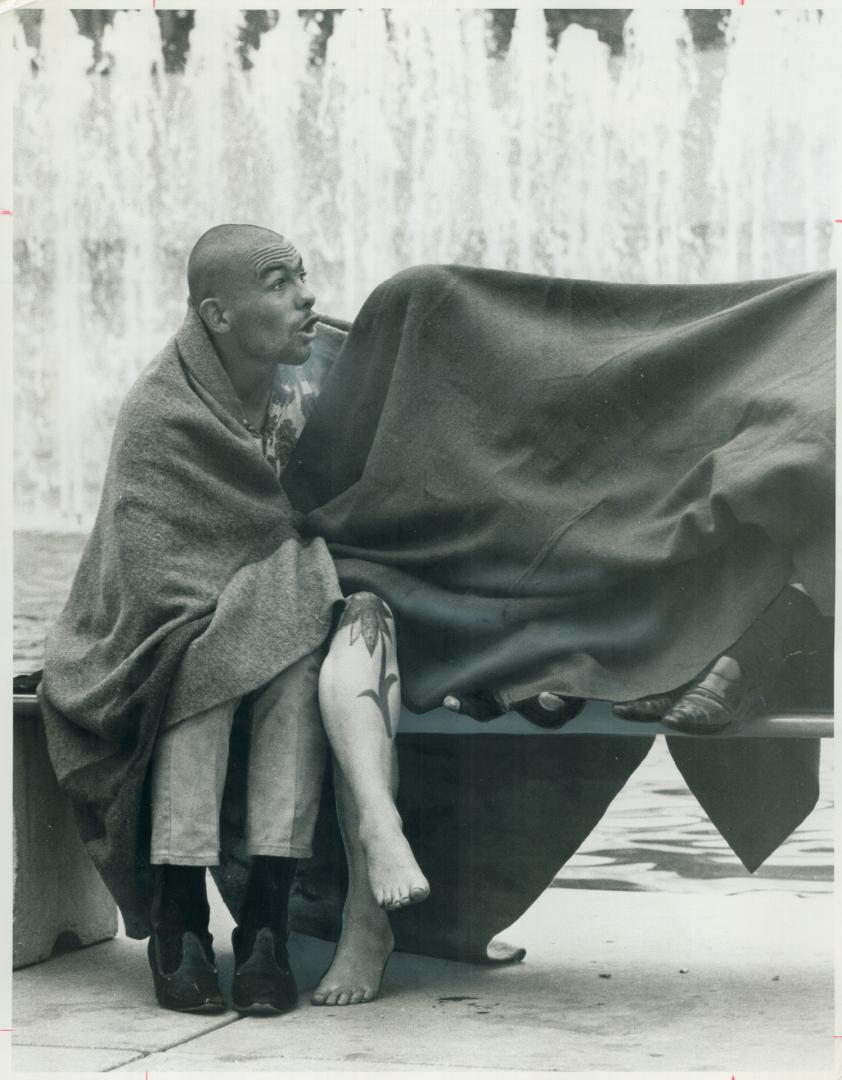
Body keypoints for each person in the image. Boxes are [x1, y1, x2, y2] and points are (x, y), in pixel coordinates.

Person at [40, 224, 428, 1016]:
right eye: (279, 284)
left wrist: (272, 588)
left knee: (289, 657)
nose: (307, 296)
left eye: (303, 275)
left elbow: (364, 491)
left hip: (281, 602)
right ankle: (180, 919)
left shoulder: (320, 378)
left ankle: (264, 928)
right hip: (168, 628)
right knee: (204, 661)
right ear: (217, 315)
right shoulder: (161, 409)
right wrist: (246, 603)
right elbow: (147, 573)